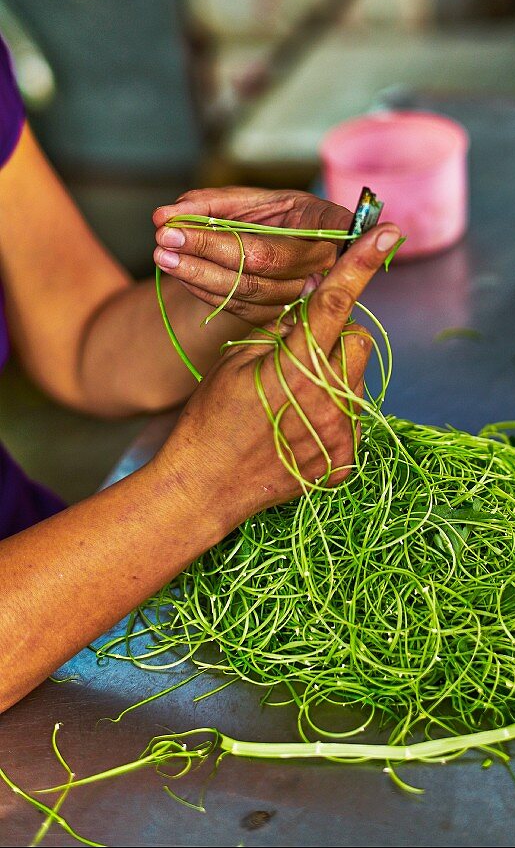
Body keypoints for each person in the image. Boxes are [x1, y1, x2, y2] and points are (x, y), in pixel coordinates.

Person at [0, 36, 401, 712]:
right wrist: (198, 491)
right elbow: (193, 492)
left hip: (65, 580)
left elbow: (79, 336)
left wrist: (241, 283)